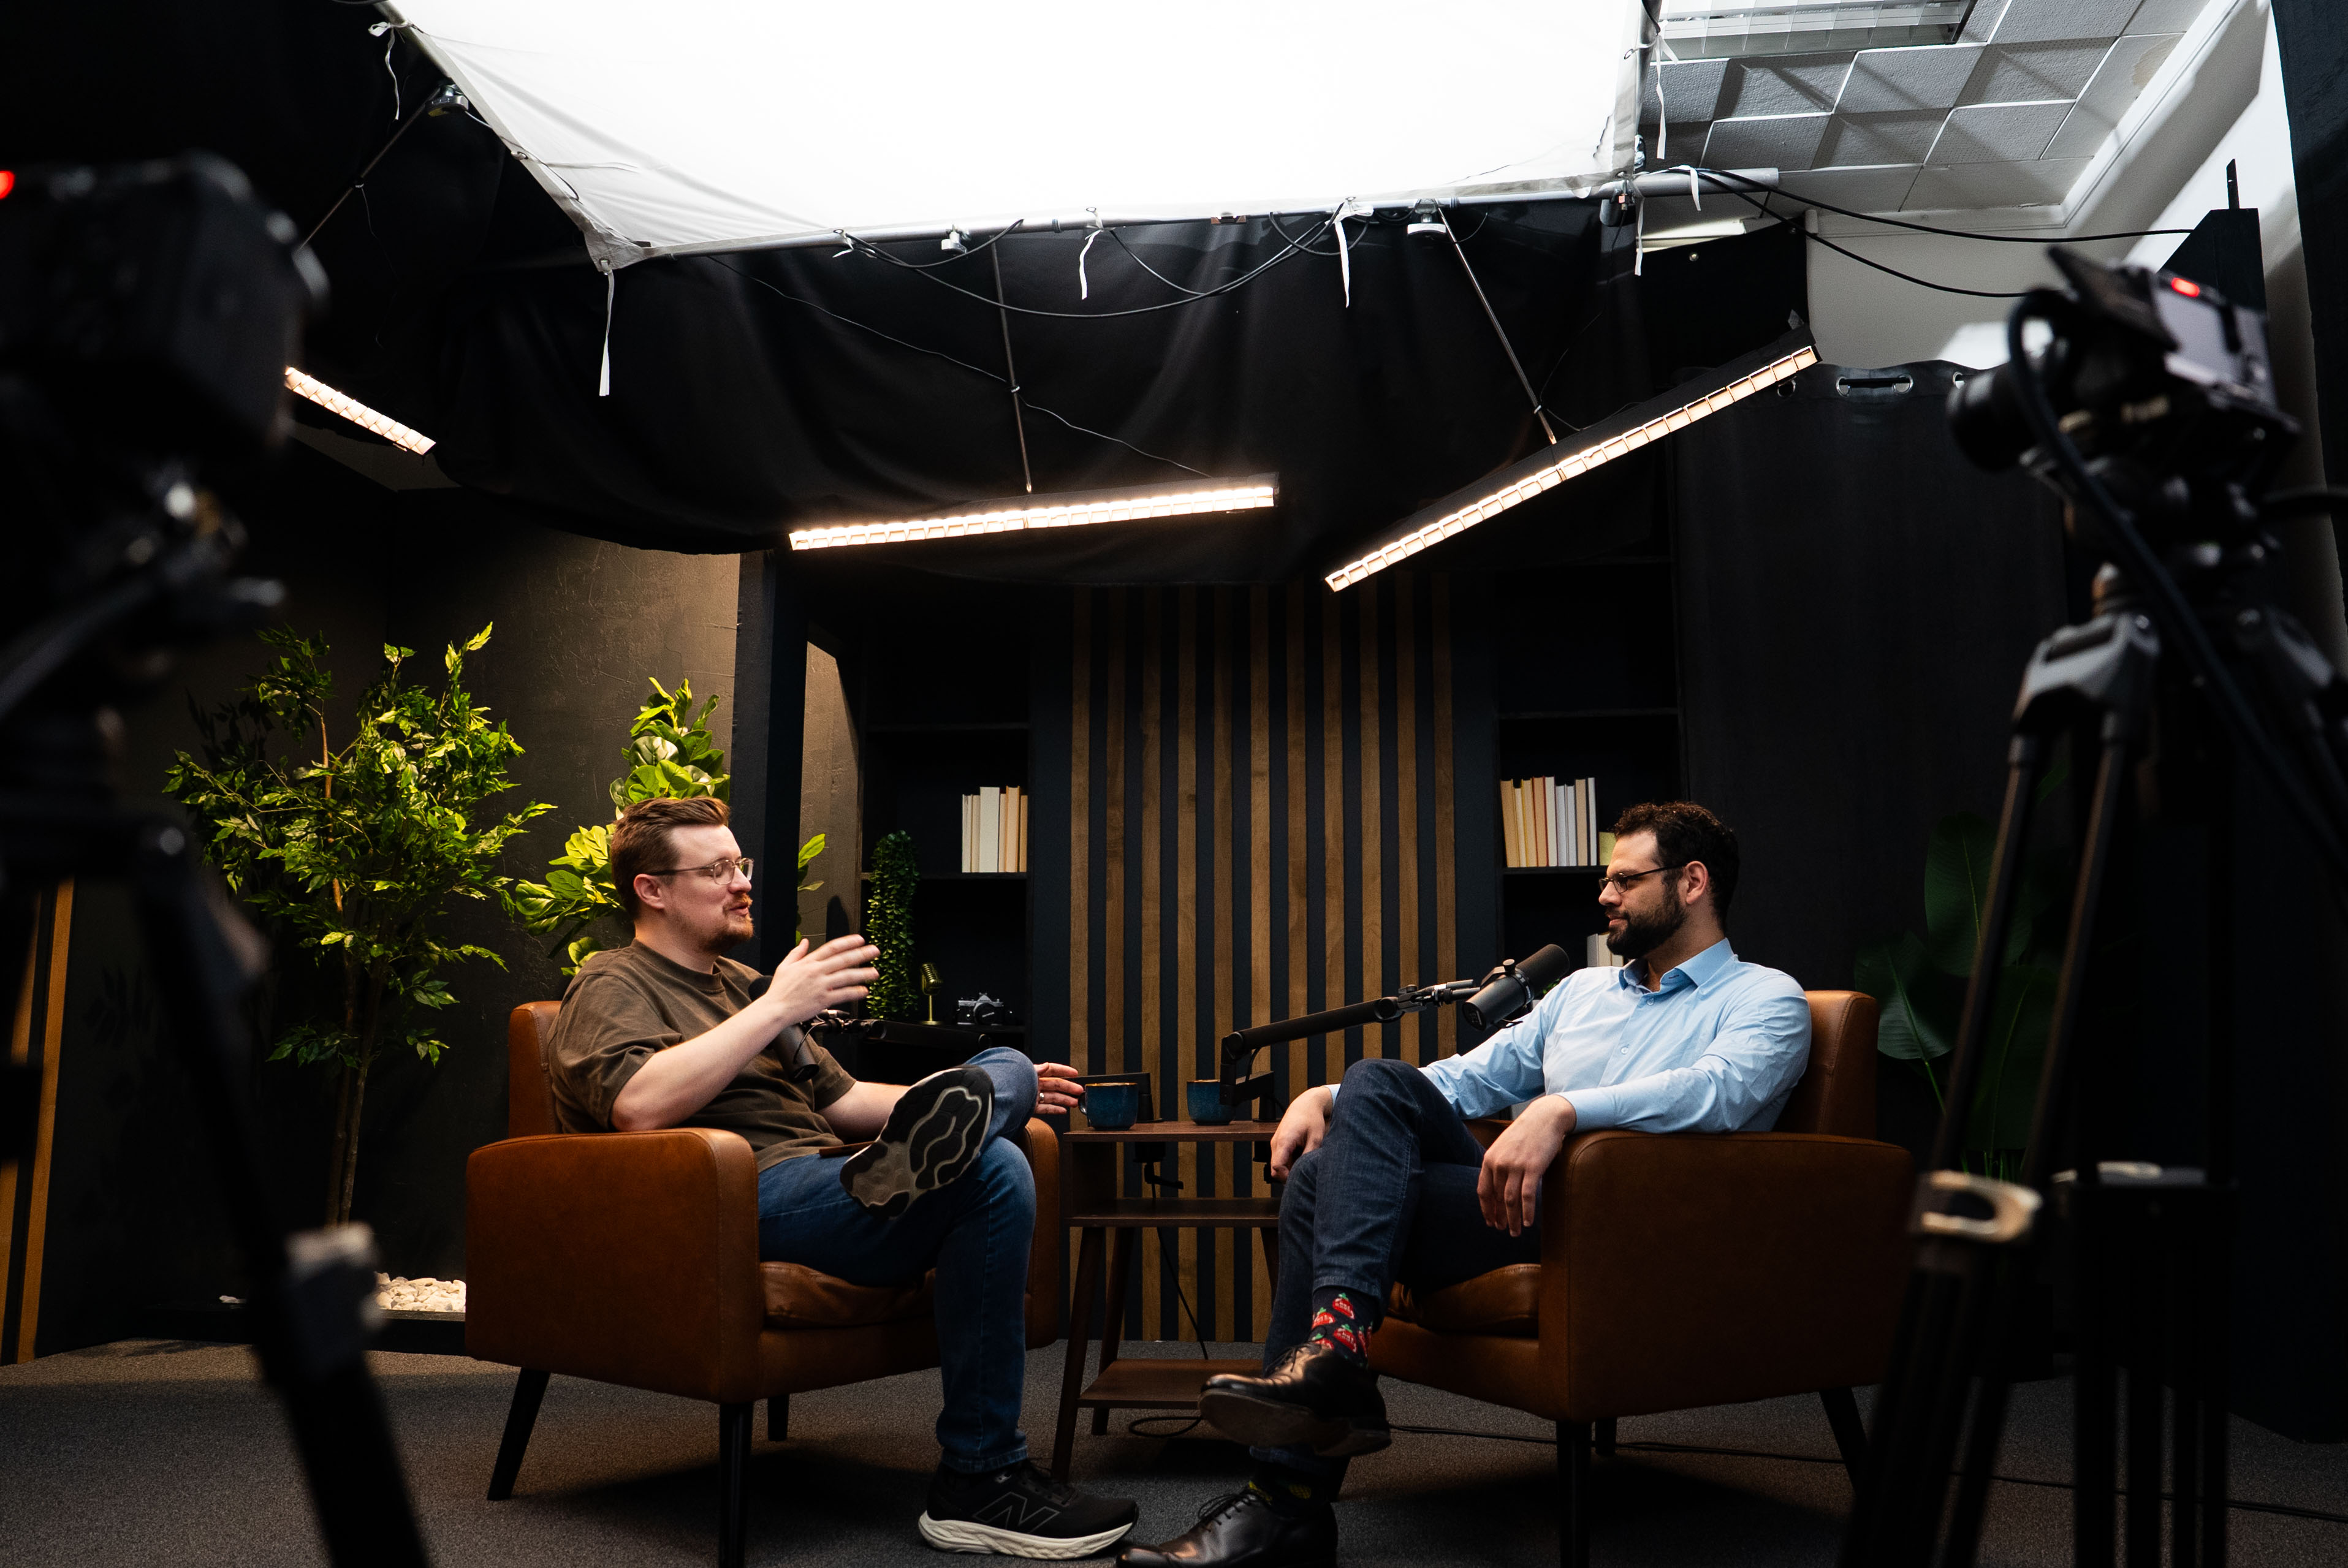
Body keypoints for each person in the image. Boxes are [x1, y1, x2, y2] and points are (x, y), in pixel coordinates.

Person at [1119, 801, 1810, 1568]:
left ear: (1692, 882)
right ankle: (1335, 1361)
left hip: (1621, 1220)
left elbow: (1719, 1094)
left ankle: (1288, 1505)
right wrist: (1326, 1100)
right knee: (1366, 1097)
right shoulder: (1582, 994)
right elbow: (1466, 1081)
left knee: (1320, 1180)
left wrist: (1564, 1108)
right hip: (1509, 1207)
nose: (1605, 896)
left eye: (1624, 879)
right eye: (1605, 881)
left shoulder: (1765, 998)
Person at [545, 795, 1138, 1559]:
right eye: (716, 869)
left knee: (1003, 1079)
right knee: (991, 1167)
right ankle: (980, 1481)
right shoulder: (613, 982)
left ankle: (945, 1135)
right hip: (736, 1195)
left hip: (834, 1180)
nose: (740, 883)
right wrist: (777, 1008)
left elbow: (850, 1101)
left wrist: (993, 1089)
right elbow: (637, 1106)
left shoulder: (745, 986)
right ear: (651, 890)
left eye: (741, 864)